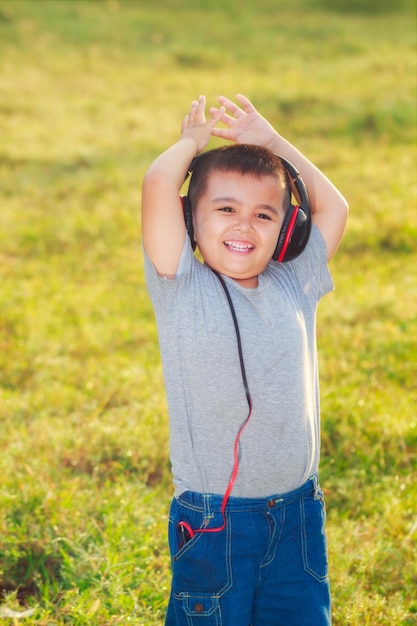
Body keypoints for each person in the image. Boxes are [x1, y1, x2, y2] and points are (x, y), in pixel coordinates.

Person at [141, 93, 348, 626]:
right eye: (225, 208)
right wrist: (191, 143)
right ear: (190, 221)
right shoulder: (181, 286)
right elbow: (158, 186)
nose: (244, 225)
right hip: (216, 521)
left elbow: (336, 208)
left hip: (300, 510)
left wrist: (273, 143)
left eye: (264, 214)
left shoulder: (295, 282)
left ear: (288, 230)